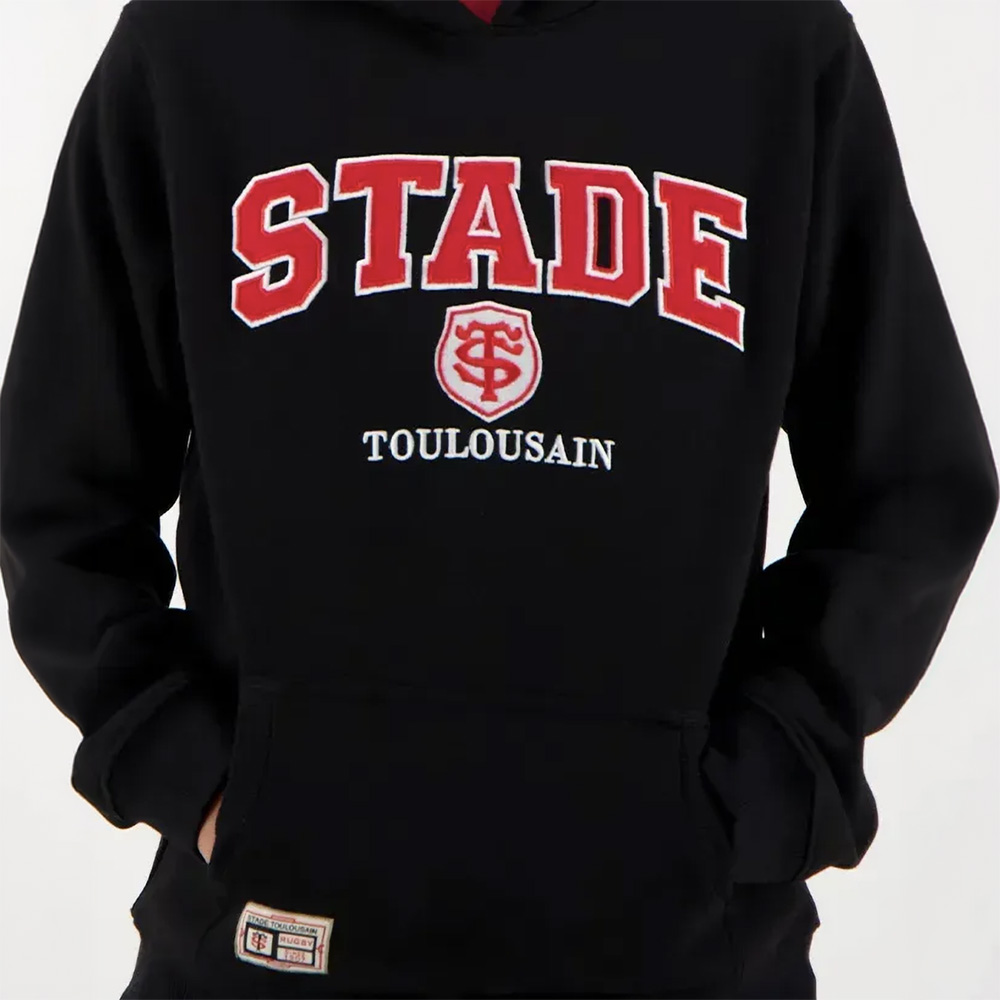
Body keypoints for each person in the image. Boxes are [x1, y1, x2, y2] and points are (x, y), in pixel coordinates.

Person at [2, 1, 996, 997]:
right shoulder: (199, 38)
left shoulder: (771, 42)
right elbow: (55, 489)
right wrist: (206, 780)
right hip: (263, 953)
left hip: (683, 961)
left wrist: (764, 779)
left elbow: (909, 484)